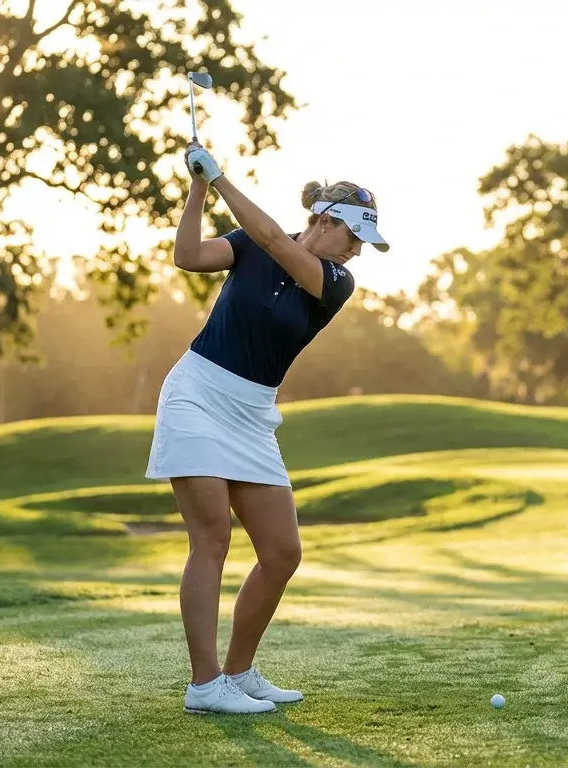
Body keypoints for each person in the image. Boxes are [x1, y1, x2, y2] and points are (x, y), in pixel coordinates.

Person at [144, 141, 389, 715]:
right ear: (327, 222)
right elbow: (187, 256)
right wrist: (199, 186)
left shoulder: (334, 281)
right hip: (197, 396)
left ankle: (239, 671)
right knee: (212, 540)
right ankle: (205, 685)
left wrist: (222, 175)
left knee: (281, 552)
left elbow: (277, 240)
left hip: (253, 415)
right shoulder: (248, 244)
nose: (357, 252)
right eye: (354, 238)